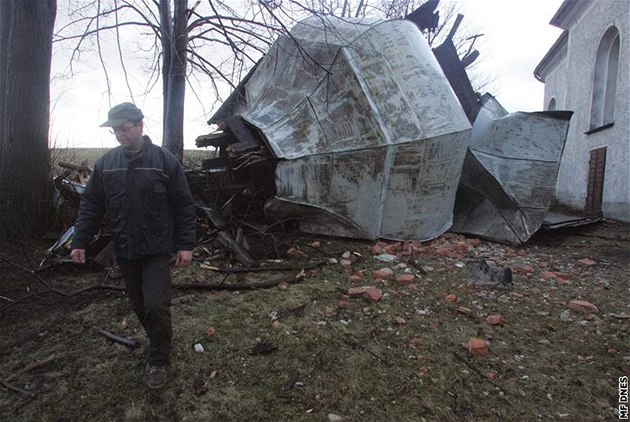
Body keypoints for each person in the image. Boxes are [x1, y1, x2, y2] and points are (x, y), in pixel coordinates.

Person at [70, 102, 196, 389]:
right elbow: (91, 205)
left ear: (140, 125)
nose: (119, 136)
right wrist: (80, 241)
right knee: (139, 306)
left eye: (124, 129)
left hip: (156, 249)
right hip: (125, 250)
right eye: (115, 131)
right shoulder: (107, 164)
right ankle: (158, 342)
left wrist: (186, 244)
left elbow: (183, 205)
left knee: (155, 305)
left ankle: (159, 360)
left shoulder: (164, 161)